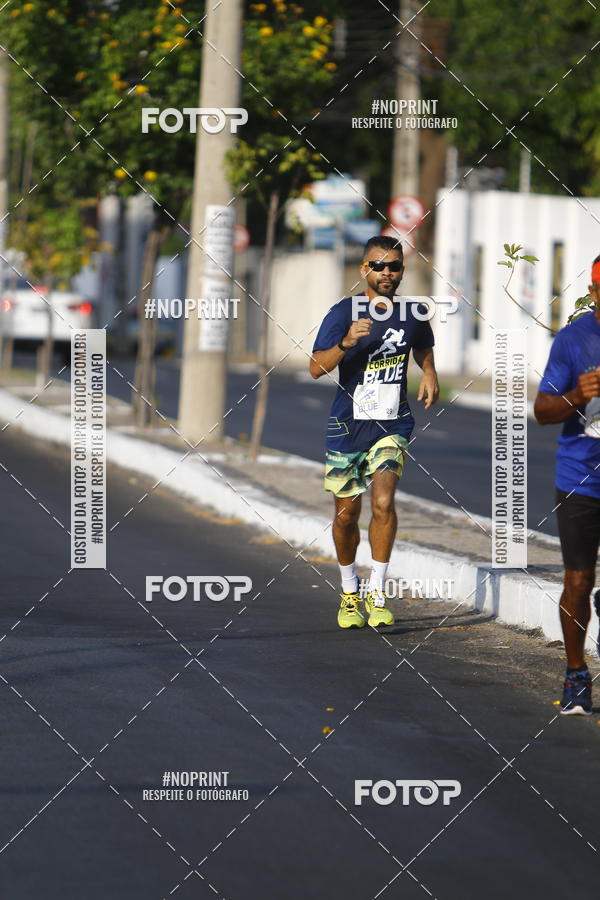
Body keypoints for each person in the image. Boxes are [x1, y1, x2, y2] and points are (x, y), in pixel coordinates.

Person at [309, 235, 439, 629]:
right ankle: (350, 591)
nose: (387, 272)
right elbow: (316, 367)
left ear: (402, 271)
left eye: (394, 266)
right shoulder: (343, 312)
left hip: (392, 423)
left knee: (383, 502)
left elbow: (423, 345)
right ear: (364, 269)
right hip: (347, 425)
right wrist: (347, 341)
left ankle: (378, 590)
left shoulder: (413, 313)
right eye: (378, 266)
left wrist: (429, 371)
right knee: (346, 514)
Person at [534, 254, 600, 715]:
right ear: (594, 292)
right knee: (579, 579)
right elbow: (542, 411)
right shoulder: (573, 340)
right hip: (581, 477)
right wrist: (578, 394)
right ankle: (576, 671)